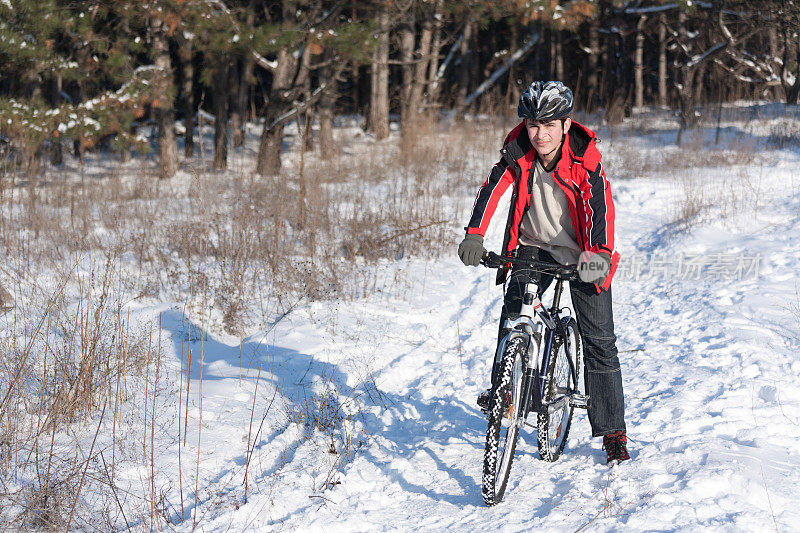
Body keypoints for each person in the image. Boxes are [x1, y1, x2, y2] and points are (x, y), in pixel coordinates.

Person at [457, 81, 629, 464]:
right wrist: (474, 235)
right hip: (533, 245)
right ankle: (504, 389)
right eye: (534, 124)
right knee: (514, 317)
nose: (541, 134)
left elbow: (601, 208)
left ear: (565, 125)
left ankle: (613, 430)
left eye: (550, 124)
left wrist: (598, 254)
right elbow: (492, 188)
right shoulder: (518, 153)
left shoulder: (585, 158)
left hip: (582, 251)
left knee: (600, 341)